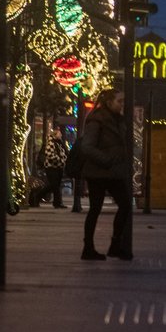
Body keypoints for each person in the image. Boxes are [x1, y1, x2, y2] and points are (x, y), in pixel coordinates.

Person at [80, 88, 132, 261]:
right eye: (120, 101)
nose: (122, 104)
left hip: (114, 172)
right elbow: (87, 146)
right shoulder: (97, 119)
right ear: (109, 102)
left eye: (124, 101)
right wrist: (106, 159)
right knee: (95, 209)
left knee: (125, 205)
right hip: (98, 172)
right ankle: (88, 248)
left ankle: (115, 245)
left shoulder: (119, 120)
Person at [36, 128, 68, 208]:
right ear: (55, 135)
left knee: (55, 185)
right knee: (54, 185)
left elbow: (64, 153)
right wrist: (61, 160)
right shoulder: (51, 143)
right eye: (59, 134)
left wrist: (63, 160)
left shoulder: (59, 143)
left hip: (58, 167)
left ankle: (57, 202)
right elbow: (50, 155)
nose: (61, 135)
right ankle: (38, 197)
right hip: (51, 167)